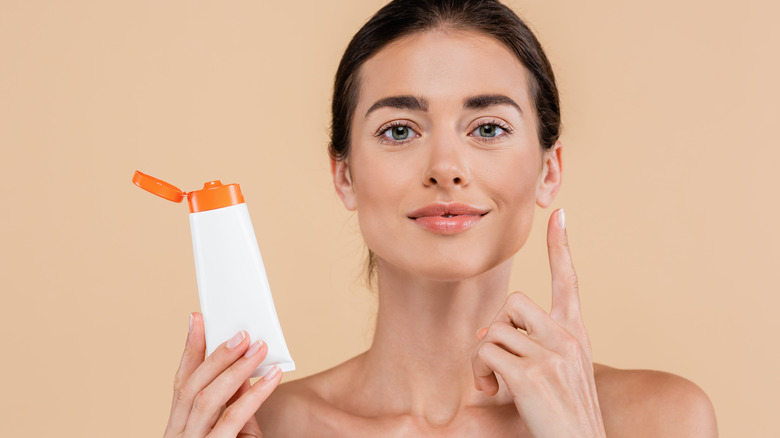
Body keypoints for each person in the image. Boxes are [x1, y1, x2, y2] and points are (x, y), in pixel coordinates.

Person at [163, 0, 718, 436]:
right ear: (345, 175)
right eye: (399, 130)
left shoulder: (662, 421)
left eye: (489, 129)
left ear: (548, 170)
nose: (446, 168)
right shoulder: (258, 426)